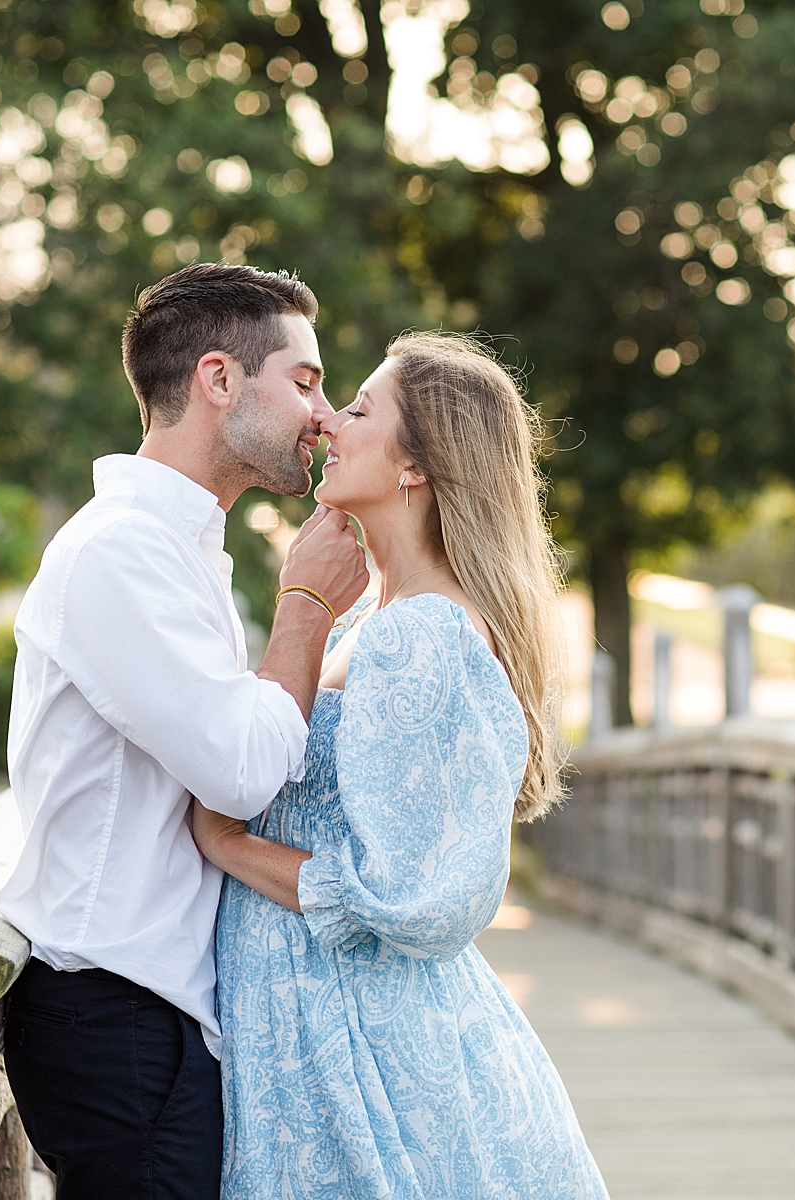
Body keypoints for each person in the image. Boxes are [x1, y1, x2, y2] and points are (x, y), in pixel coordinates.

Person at [191, 332, 610, 1198]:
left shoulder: (422, 634)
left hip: (365, 1046)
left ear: (416, 463)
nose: (328, 421)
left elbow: (418, 896)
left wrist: (230, 845)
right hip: (325, 1026)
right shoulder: (375, 621)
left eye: (358, 408)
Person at [0, 263, 370, 1199]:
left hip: (148, 1006)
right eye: (305, 382)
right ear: (218, 379)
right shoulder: (119, 551)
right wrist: (308, 608)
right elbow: (241, 773)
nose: (321, 417)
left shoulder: (182, 549)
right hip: (114, 1004)